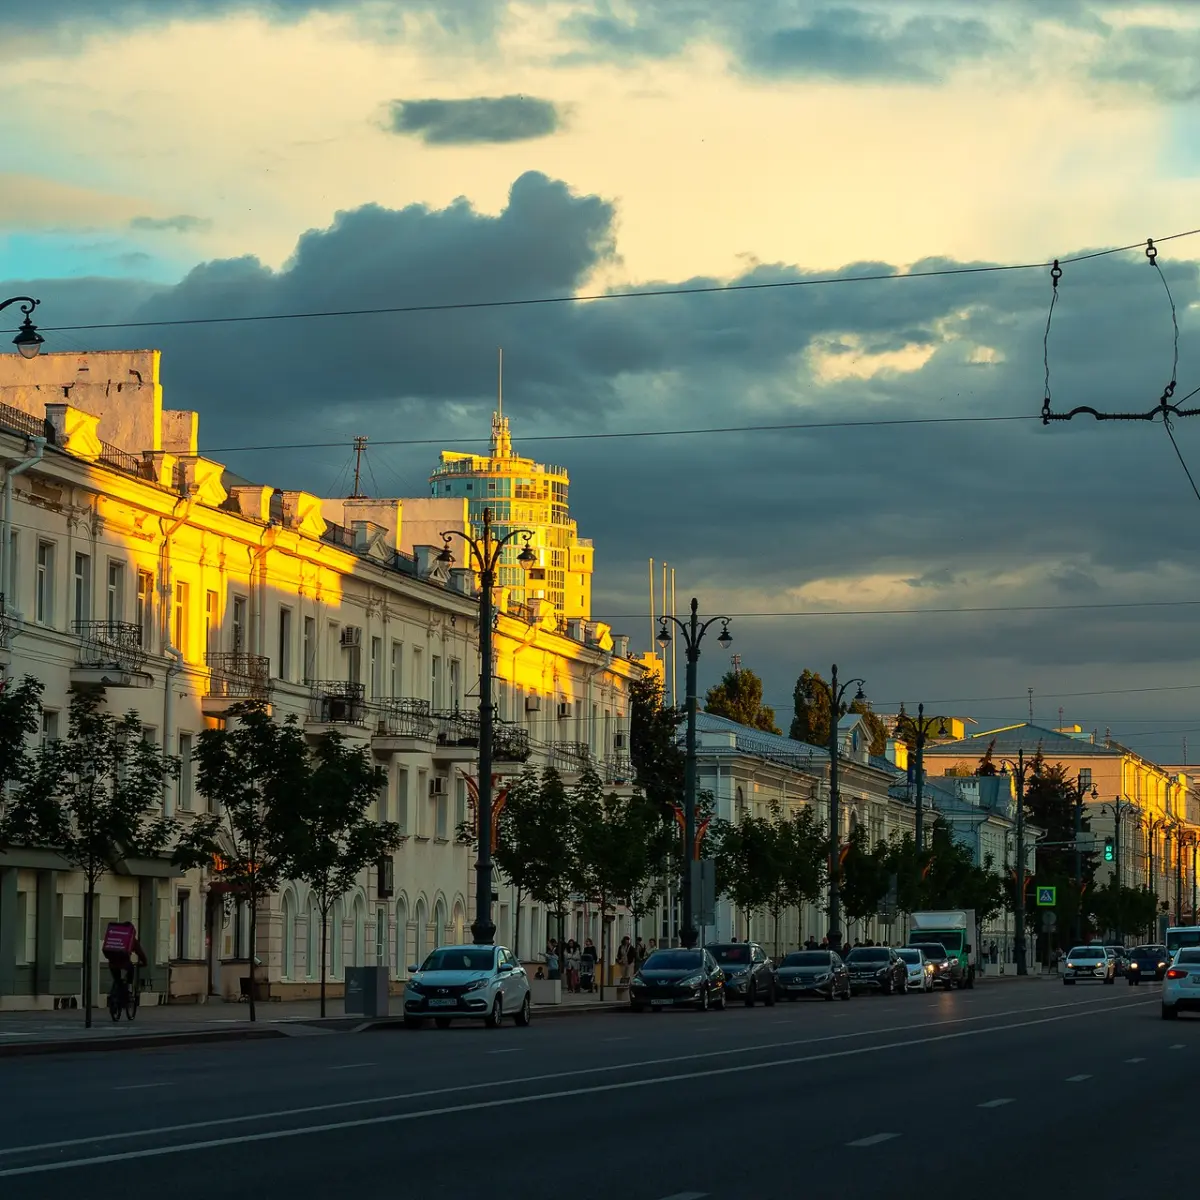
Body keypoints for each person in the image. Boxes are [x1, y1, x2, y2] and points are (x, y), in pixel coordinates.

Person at [102, 919, 147, 1005]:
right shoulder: (131, 940)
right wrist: (144, 963)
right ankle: (129, 991)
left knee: (117, 980)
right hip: (124, 963)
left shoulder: (115, 936)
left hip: (112, 963)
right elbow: (140, 953)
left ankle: (114, 996)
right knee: (131, 970)